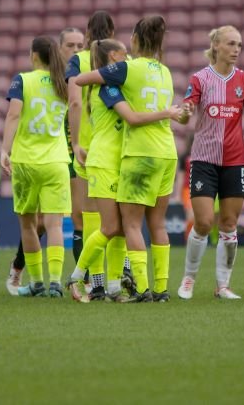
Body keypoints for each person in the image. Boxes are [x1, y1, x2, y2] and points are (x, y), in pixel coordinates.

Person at [66, 38, 182, 302]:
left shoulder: (124, 85)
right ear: (113, 58)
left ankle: (115, 287)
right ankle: (75, 279)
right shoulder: (108, 88)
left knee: (120, 230)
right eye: (124, 54)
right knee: (110, 227)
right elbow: (132, 117)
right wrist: (166, 112)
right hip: (104, 161)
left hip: (123, 160)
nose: (129, 58)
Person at [175, 25, 244, 300]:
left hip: (235, 161)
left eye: (239, 44)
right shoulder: (200, 79)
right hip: (203, 159)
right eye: (231, 44)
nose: (236, 49)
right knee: (203, 222)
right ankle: (189, 279)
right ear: (216, 46)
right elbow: (184, 114)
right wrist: (185, 112)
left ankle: (223, 286)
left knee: (229, 223)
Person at [6, 27, 85, 294]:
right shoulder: (63, 82)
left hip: (26, 161)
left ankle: (36, 282)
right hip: (57, 161)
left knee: (28, 223)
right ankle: (54, 283)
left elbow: (13, 116)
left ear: (33, 56)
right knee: (53, 225)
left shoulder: (22, 80)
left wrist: (5, 150)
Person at [65, 12, 114, 296]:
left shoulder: (79, 60)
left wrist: (74, 143)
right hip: (116, 146)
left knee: (90, 217)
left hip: (86, 147)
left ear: (86, 33)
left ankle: (94, 284)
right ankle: (122, 278)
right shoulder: (122, 58)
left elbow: (74, 102)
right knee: (121, 218)